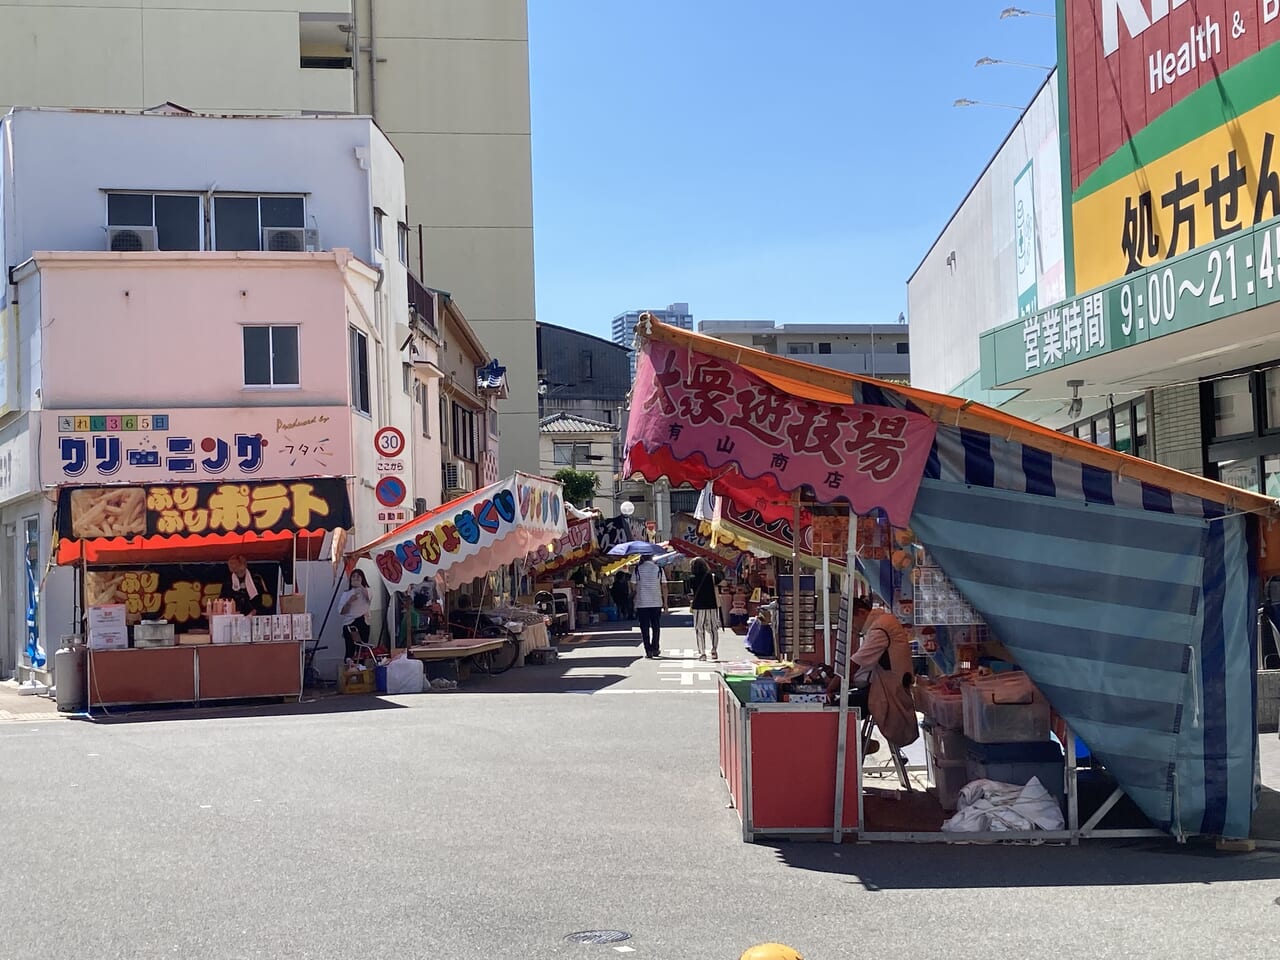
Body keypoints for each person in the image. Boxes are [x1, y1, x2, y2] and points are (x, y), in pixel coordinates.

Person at [834, 596, 919, 750]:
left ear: (860, 613)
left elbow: (855, 663)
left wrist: (830, 686)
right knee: (846, 699)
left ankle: (855, 743)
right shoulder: (883, 622)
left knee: (837, 705)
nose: (854, 627)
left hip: (888, 690)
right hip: (883, 684)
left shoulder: (880, 627)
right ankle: (857, 741)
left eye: (853, 622)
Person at [633, 555, 668, 658]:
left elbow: (633, 585)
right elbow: (664, 586)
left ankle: (648, 650)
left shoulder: (637, 569)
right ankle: (655, 648)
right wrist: (665, 604)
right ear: (652, 557)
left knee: (644, 627)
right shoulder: (659, 569)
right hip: (656, 602)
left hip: (642, 603)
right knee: (655, 626)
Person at [688, 558, 721, 660]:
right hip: (712, 606)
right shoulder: (712, 577)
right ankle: (714, 650)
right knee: (713, 628)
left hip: (698, 606)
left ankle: (702, 653)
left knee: (699, 629)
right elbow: (721, 580)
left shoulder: (691, 578)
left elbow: (689, 593)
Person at [338, 569, 373, 661]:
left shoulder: (367, 590)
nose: (356, 578)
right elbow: (341, 611)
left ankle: (361, 667)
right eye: (353, 576)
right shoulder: (346, 593)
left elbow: (368, 598)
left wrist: (360, 586)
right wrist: (349, 601)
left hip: (363, 621)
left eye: (358, 576)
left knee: (362, 649)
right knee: (350, 649)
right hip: (349, 623)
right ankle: (349, 667)